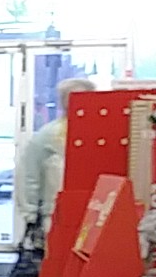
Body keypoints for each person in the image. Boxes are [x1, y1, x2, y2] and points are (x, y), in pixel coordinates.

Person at [17, 76, 98, 239]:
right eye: (70, 97)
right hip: (57, 214)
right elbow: (29, 175)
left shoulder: (101, 132)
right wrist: (30, 215)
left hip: (96, 210)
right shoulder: (48, 136)